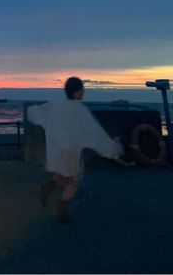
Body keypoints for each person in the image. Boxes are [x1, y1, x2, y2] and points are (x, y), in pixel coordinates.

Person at [27, 77, 124, 223]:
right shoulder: (79, 110)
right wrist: (113, 148)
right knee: (72, 181)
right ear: (76, 92)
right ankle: (61, 210)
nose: (83, 93)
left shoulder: (56, 105)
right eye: (82, 90)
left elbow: (35, 112)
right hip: (71, 150)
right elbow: (95, 133)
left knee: (63, 175)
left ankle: (45, 190)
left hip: (58, 149)